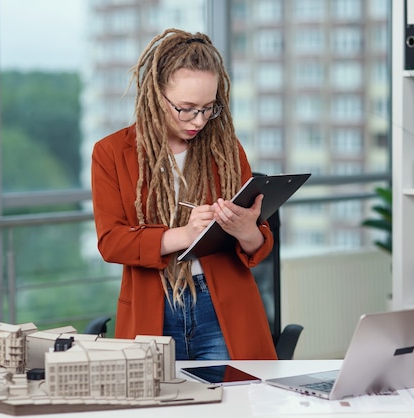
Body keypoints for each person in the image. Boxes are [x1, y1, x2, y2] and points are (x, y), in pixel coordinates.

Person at [91, 28, 277, 360]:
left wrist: (249, 232)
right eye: (187, 108)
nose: (199, 120)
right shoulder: (111, 153)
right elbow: (111, 242)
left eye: (209, 108)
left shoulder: (226, 150)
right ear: (156, 94)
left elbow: (257, 248)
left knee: (237, 405)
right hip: (154, 307)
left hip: (222, 311)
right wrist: (185, 235)